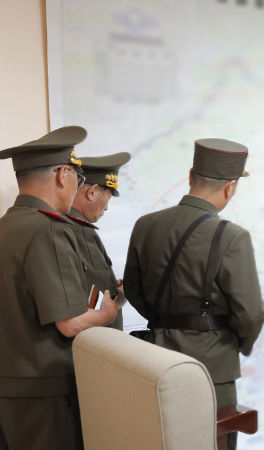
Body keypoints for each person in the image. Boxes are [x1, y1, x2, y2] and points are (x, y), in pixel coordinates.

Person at [123, 138, 264, 450]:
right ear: (230, 187)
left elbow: (133, 288)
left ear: (190, 176)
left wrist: (164, 322)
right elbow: (250, 312)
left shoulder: (145, 225)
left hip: (157, 358)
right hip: (212, 367)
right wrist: (239, 344)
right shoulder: (232, 236)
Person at [0, 126, 123, 450]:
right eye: (77, 177)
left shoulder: (6, 226)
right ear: (62, 175)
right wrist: (108, 312)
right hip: (47, 393)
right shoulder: (49, 229)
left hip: (11, 389)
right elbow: (70, 323)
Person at [68, 152, 131, 331]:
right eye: (108, 197)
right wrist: (120, 298)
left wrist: (113, 289)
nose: (107, 207)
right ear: (92, 192)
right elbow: (90, 306)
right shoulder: (80, 231)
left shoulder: (66, 226)